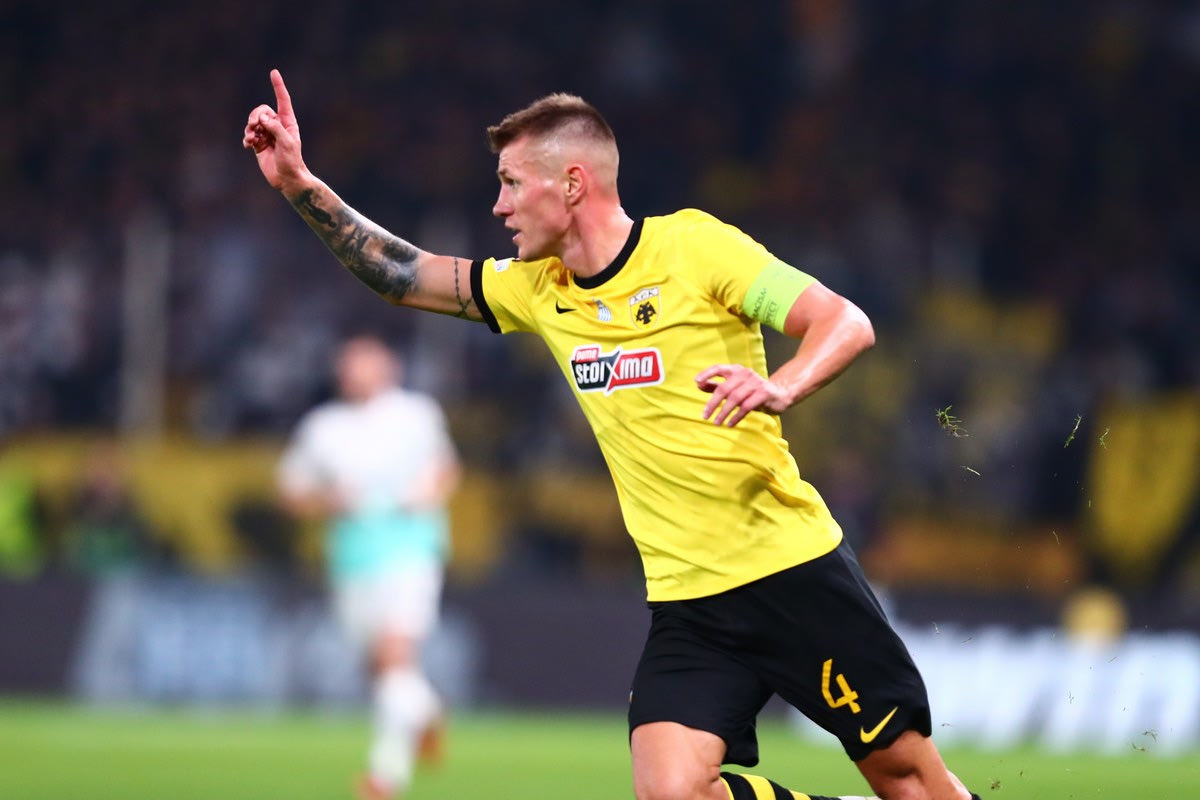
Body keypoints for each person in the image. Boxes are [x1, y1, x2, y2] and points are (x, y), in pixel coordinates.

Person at [245, 69, 980, 800]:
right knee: (670, 792)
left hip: (789, 572)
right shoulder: (538, 289)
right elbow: (403, 275)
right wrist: (300, 185)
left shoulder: (694, 249)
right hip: (689, 603)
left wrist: (782, 385)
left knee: (913, 787)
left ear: (572, 184)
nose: (498, 205)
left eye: (510, 183)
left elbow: (844, 321)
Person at [277, 335, 460, 800]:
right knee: (379, 669)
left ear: (388, 367)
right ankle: (425, 710)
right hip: (351, 558)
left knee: (395, 653)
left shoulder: (416, 414)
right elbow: (290, 491)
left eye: (363, 363)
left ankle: (385, 776)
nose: (353, 372)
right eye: (347, 365)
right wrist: (327, 501)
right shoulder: (323, 427)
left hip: (410, 550)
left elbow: (445, 470)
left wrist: (427, 493)